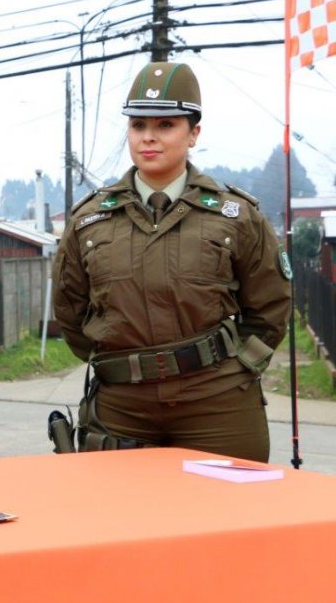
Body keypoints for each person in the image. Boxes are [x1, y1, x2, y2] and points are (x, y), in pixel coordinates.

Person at [52, 61, 291, 462]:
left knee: (231, 502)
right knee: (121, 504)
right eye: (138, 125)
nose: (149, 137)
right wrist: (119, 364)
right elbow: (70, 312)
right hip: (123, 405)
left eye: (166, 125)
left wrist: (241, 367)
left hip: (218, 402)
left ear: (194, 133)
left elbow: (270, 306)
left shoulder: (235, 216)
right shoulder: (89, 220)